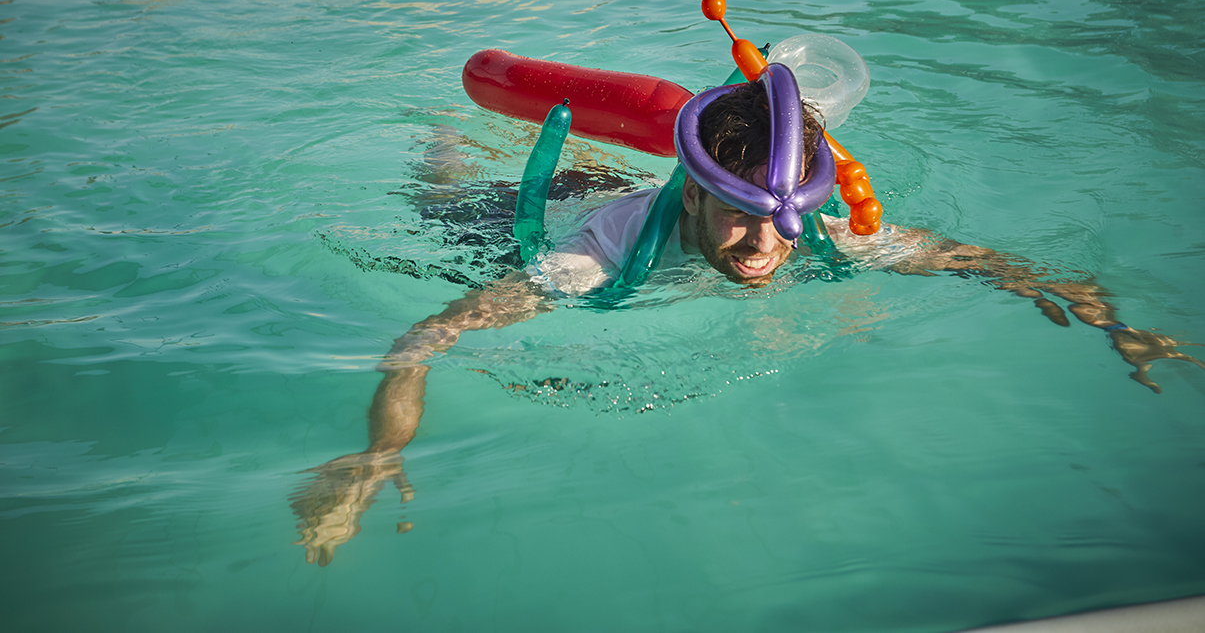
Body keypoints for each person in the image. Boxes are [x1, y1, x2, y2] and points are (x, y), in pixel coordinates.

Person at [291, 77, 1202, 567]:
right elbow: (428, 335)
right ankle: (439, 139)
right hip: (530, 221)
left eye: (782, 220)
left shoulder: (812, 228)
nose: (768, 245)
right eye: (739, 217)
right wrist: (378, 452)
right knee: (441, 205)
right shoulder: (593, 261)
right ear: (693, 194)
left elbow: (975, 257)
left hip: (630, 193)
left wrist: (1108, 319)